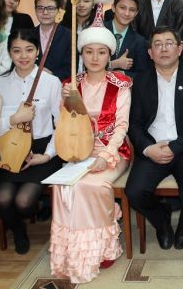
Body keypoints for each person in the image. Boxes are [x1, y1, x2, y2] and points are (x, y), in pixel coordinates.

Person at [50, 22, 132, 283]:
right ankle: (72, 250)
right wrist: (66, 100)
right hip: (78, 149)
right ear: (81, 54)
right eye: (89, 51)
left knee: (92, 185)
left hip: (113, 150)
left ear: (110, 55)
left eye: (101, 52)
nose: (95, 58)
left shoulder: (120, 84)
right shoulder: (71, 84)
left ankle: (105, 247)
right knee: (63, 186)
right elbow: (64, 124)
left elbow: (122, 126)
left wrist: (105, 157)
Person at [125, 26, 183, 251]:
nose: (163, 49)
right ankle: (161, 221)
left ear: (180, 49)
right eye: (157, 44)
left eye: (169, 43)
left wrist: (175, 147)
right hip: (153, 147)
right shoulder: (141, 81)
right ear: (150, 53)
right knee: (134, 192)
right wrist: (148, 149)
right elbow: (134, 124)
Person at [0, 29, 63, 254]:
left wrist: (48, 155)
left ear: (37, 51)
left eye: (29, 50)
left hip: (41, 150)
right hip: (10, 150)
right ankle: (18, 230)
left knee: (24, 202)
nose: (23, 56)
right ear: (9, 53)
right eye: (16, 51)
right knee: (3, 201)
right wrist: (13, 119)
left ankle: (27, 216)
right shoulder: (0, 84)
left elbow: (61, 124)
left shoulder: (51, 82)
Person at [104, 0, 150, 78]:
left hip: (126, 86)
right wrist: (113, 64)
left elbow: (142, 75)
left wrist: (123, 74)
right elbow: (88, 65)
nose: (127, 13)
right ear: (113, 7)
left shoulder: (139, 41)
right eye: (122, 8)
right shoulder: (99, 31)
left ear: (136, 13)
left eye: (132, 10)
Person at [31, 0, 71, 81]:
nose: (45, 12)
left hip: (59, 85)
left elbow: (71, 68)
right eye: (40, 8)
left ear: (59, 10)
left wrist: (51, 75)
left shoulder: (69, 36)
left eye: (50, 8)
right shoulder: (27, 35)